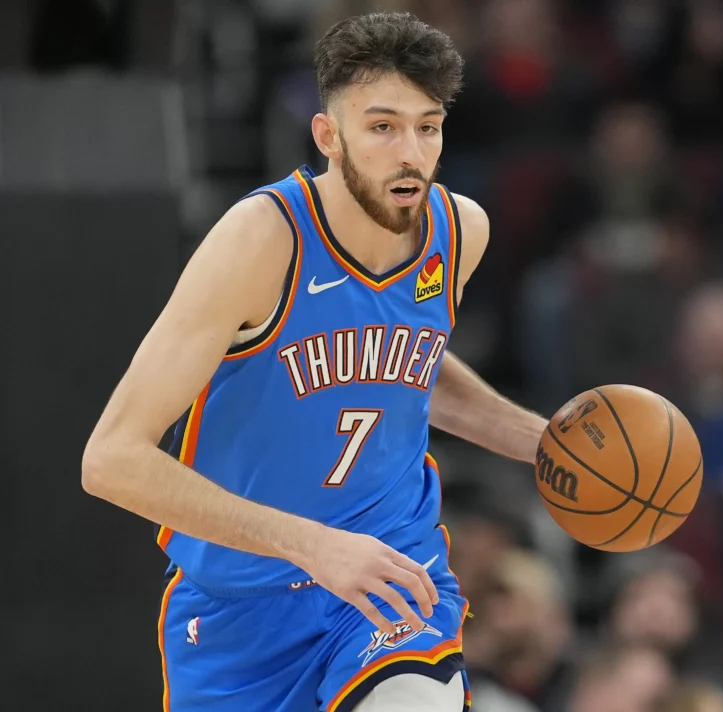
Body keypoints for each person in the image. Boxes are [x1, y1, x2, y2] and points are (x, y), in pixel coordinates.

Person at [81, 12, 548, 712]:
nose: (411, 153)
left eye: (427, 127)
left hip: (390, 575)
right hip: (241, 608)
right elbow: (110, 459)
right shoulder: (262, 240)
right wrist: (314, 546)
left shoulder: (458, 232)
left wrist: (546, 444)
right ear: (329, 136)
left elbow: (409, 370)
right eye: (383, 127)